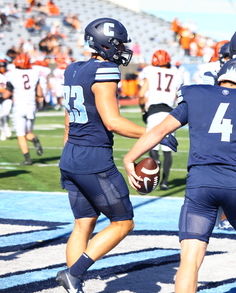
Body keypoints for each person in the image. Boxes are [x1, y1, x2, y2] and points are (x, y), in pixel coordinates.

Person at [123, 58, 236, 293]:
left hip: (199, 186)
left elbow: (160, 130)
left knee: (190, 259)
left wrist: (130, 158)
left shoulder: (196, 94)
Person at [55, 18, 147, 293]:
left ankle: (74, 286)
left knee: (83, 224)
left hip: (70, 155)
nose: (121, 50)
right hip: (93, 158)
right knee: (123, 222)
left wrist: (68, 154)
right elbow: (113, 122)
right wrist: (155, 133)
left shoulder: (72, 69)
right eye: (117, 44)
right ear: (104, 44)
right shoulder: (105, 70)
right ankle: (74, 274)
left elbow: (68, 121)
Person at [138, 49, 182, 190]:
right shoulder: (176, 73)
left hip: (154, 111)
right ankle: (165, 181)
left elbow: (141, 94)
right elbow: (177, 97)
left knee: (153, 145)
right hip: (169, 112)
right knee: (167, 149)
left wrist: (143, 110)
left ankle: (154, 173)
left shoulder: (149, 71)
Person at [3, 53, 44, 166]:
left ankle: (28, 159)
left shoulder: (12, 74)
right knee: (28, 133)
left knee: (20, 134)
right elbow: (40, 93)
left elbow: (6, 94)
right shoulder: (35, 73)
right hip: (31, 106)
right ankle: (34, 139)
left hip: (19, 107)